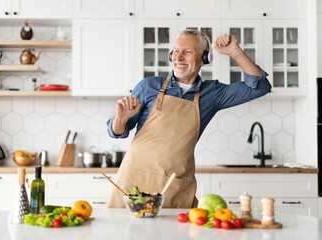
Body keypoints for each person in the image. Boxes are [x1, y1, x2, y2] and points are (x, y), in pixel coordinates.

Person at [106, 29, 272, 208]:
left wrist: (234, 51)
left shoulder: (212, 94)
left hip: (174, 184)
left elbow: (260, 87)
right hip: (134, 180)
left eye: (188, 51)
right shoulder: (148, 86)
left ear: (204, 59)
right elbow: (117, 132)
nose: (179, 57)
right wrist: (120, 119)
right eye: (176, 51)